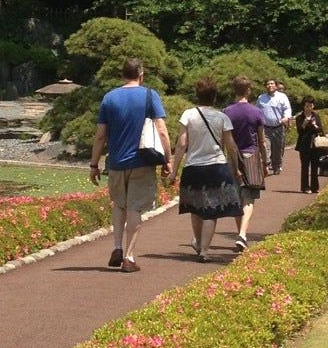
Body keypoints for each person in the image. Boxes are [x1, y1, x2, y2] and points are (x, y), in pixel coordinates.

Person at [89, 58, 172, 274]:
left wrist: (93, 164)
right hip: (142, 161)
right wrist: (168, 159)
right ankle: (129, 256)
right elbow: (161, 129)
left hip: (116, 162)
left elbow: (100, 135)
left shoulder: (109, 98)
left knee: (119, 204)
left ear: (122, 75)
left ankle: (116, 246)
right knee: (135, 207)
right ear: (141, 74)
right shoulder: (149, 95)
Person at [169, 77, 245, 261]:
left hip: (193, 166)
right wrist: (235, 168)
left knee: (195, 207)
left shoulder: (188, 115)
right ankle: (205, 249)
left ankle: (197, 242)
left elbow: (181, 144)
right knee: (212, 209)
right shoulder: (222, 117)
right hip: (217, 166)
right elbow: (231, 146)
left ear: (197, 95)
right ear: (214, 96)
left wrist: (174, 170)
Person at [224, 76, 267, 251]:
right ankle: (242, 234)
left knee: (236, 197)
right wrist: (265, 162)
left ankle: (241, 233)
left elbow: (224, 139)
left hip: (233, 156)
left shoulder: (227, 111)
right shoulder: (256, 112)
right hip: (251, 155)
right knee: (249, 198)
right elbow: (262, 141)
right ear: (248, 90)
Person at [257, 78, 292, 176]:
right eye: (268, 84)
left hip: (278, 127)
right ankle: (266, 166)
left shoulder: (282, 97)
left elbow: (287, 108)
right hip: (265, 128)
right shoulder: (261, 98)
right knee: (265, 147)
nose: (270, 86)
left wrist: (286, 117)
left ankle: (277, 166)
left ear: (276, 86)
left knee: (277, 148)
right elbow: (257, 111)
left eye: (272, 84)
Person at [294, 96, 326, 194]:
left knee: (315, 166)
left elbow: (320, 130)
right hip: (304, 144)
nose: (309, 108)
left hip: (315, 144)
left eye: (311, 106)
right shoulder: (300, 117)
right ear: (303, 106)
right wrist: (304, 124)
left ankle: (315, 187)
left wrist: (314, 124)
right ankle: (305, 187)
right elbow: (299, 131)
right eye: (307, 106)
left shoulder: (316, 116)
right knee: (305, 167)